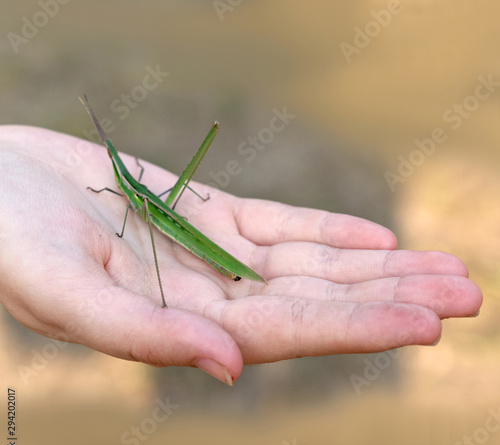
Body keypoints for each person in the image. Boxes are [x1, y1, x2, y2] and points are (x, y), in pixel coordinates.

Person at [0, 125, 482, 385]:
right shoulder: (117, 187)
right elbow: (121, 193)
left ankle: (219, 264)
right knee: (141, 223)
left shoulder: (133, 196)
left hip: (171, 220)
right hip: (156, 209)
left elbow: (133, 212)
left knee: (149, 224)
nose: (117, 181)